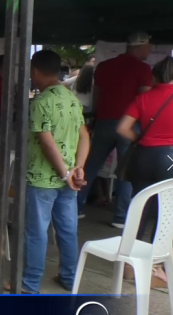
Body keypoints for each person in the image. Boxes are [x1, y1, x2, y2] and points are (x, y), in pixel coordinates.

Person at [16, 49, 89, 294]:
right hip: (69, 180)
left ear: (35, 71)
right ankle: (69, 278)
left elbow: (46, 143)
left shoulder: (41, 102)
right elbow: (84, 136)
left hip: (42, 179)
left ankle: (30, 284)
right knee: (67, 230)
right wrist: (77, 168)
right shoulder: (72, 99)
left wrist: (64, 174)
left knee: (36, 232)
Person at [77, 31, 152, 228]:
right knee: (126, 171)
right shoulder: (143, 69)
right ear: (140, 46)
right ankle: (120, 217)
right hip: (130, 124)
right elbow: (143, 100)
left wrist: (95, 116)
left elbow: (97, 95)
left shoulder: (104, 66)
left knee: (90, 166)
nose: (150, 50)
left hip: (104, 121)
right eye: (148, 46)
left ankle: (75, 207)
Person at [117, 56, 173, 288]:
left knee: (139, 207)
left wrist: (141, 139)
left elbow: (122, 128)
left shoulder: (143, 97)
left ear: (154, 76)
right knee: (166, 212)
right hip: (170, 159)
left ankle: (128, 265)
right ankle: (155, 265)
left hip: (143, 156)